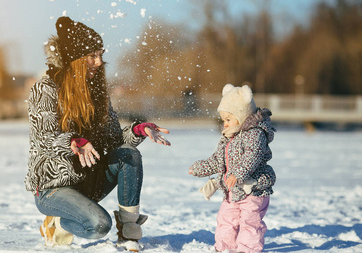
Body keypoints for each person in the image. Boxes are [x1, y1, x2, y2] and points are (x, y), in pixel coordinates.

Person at [24, 16, 171, 252]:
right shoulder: (46, 88)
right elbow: (45, 140)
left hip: (88, 180)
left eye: (101, 54)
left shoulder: (97, 93)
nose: (99, 61)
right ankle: (58, 223)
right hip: (54, 187)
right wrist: (75, 141)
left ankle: (128, 230)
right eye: (92, 56)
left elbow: (115, 141)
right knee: (99, 225)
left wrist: (138, 129)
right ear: (75, 59)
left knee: (128, 154)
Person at [188, 84, 276, 253]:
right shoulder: (227, 138)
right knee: (225, 219)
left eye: (229, 119)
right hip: (232, 191)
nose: (225, 124)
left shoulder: (255, 134)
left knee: (249, 222)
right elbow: (217, 160)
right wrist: (200, 168)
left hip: (254, 190)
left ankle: (247, 250)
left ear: (242, 116)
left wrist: (237, 173)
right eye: (223, 120)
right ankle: (224, 248)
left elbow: (253, 155)